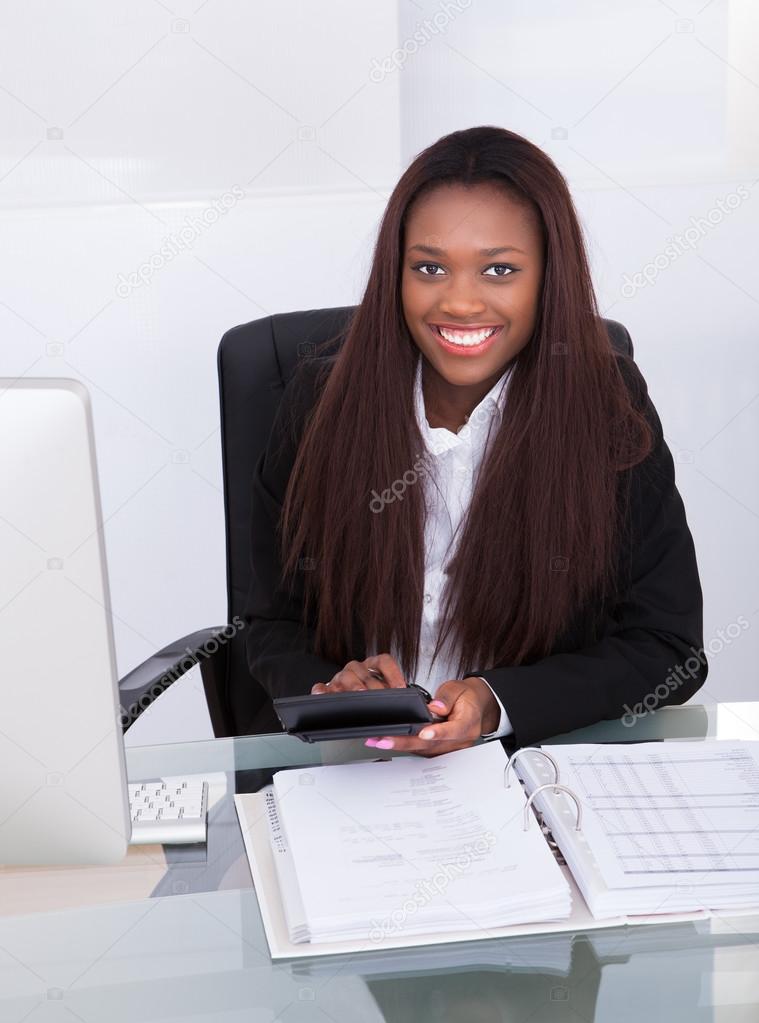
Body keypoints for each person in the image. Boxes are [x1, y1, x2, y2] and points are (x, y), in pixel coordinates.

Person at [242, 125, 707, 755]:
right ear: (395, 273)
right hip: (352, 766)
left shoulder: (606, 404)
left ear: (549, 278)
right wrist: (331, 689)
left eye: (499, 270)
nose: (460, 302)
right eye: (429, 267)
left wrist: (498, 701)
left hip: (526, 767)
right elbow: (271, 621)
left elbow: (668, 646)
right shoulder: (320, 402)